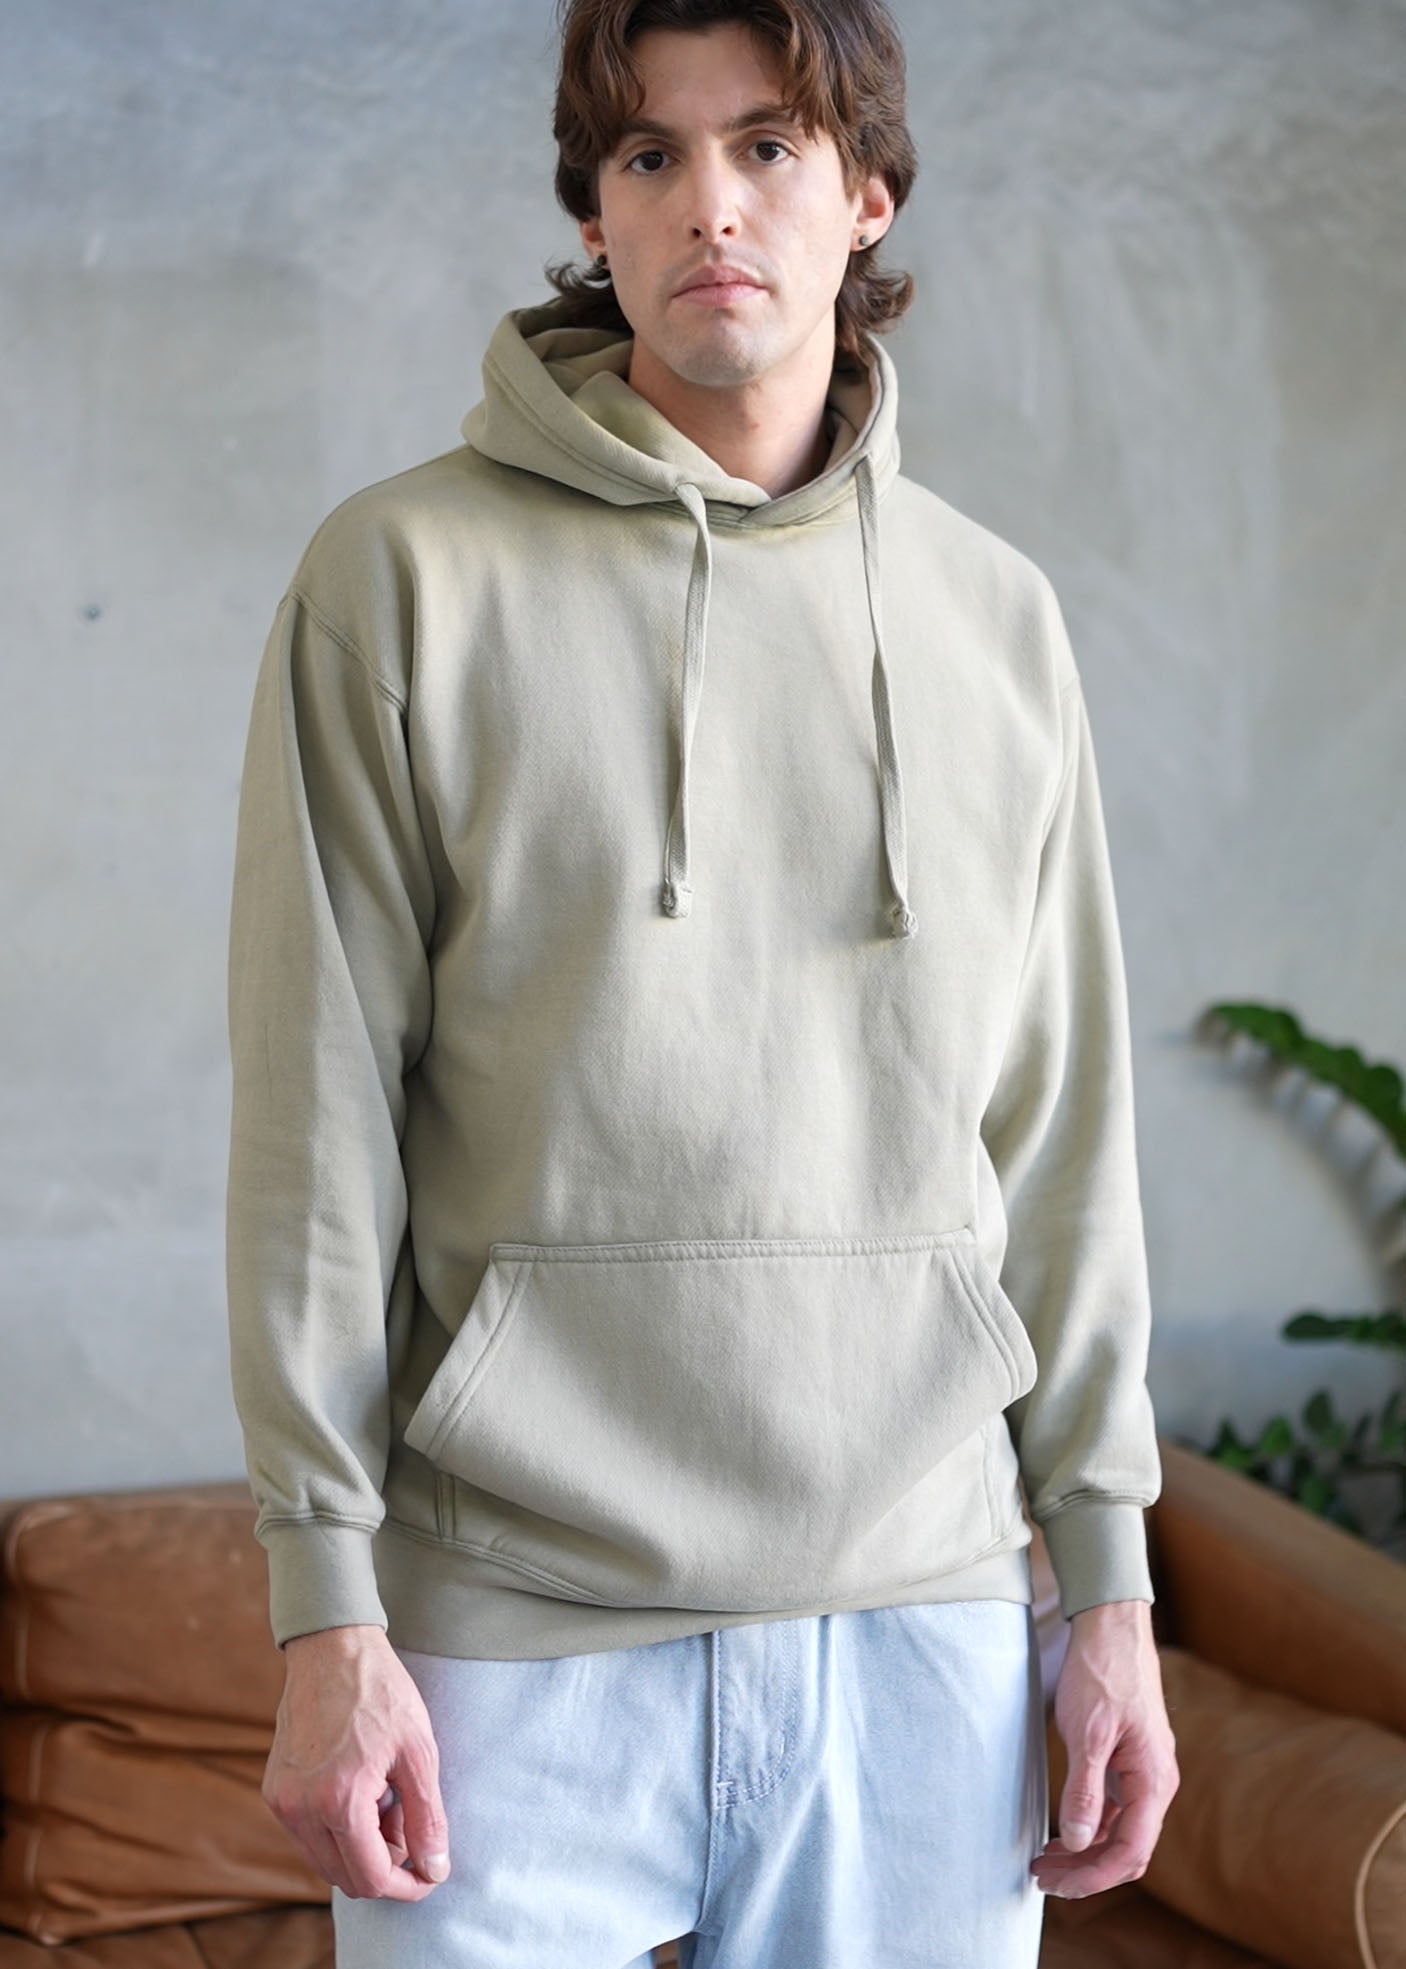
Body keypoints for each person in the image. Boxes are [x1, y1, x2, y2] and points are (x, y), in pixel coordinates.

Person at [224, 0, 1180, 1962]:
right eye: (648, 155)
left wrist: (1107, 1588)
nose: (707, 206)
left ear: (866, 196)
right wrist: (326, 1607)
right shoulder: (396, 581)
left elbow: (1064, 1133)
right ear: (593, 213)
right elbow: (316, 1132)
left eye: (765, 145)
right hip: (507, 1642)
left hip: (921, 1626)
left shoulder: (996, 623)